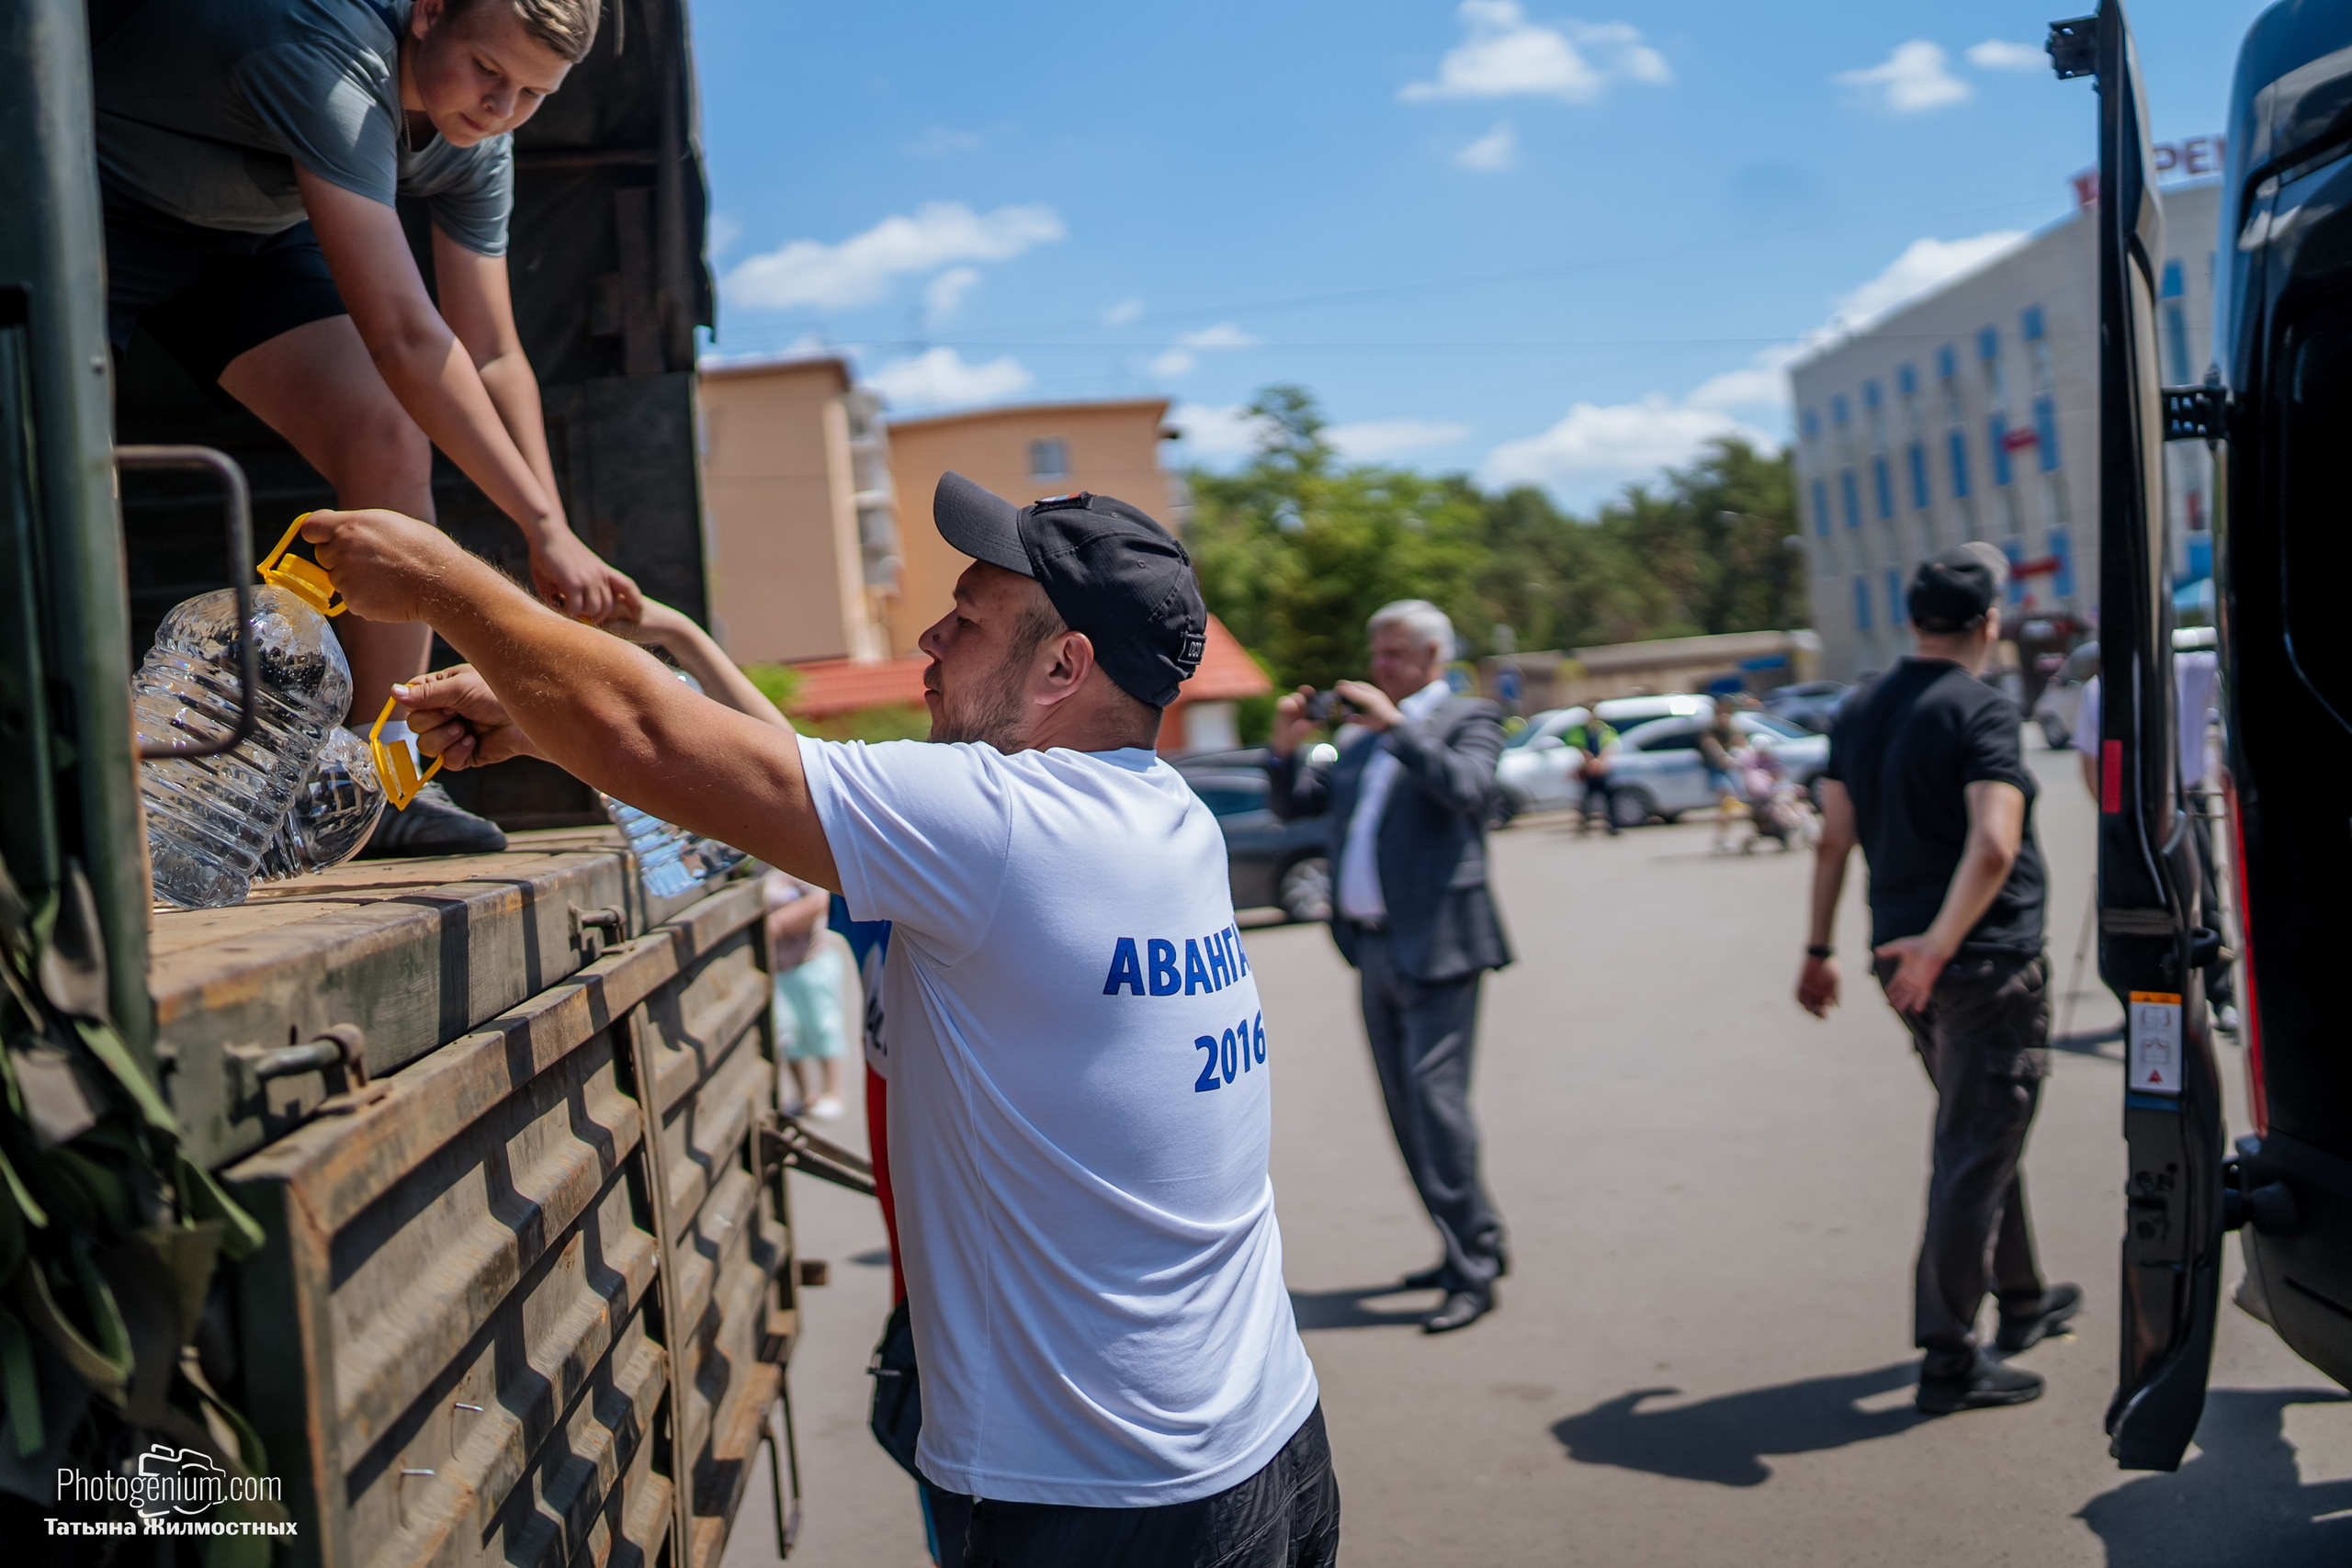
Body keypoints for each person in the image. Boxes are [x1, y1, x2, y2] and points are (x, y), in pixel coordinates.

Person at [317, 474, 1338, 1567]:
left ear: (1062, 667)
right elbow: (744, 781)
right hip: (1265, 1437)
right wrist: (549, 722)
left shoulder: (1009, 830)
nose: (930, 640)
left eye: (967, 616)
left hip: (1102, 1498)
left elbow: (647, 734)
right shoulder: (1160, 818)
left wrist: (438, 581)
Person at [94, 0, 640, 855]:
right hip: (90, 203)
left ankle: (371, 788)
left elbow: (493, 352)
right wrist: (536, 524)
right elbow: (406, 338)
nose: (502, 110)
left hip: (248, 245)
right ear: (427, 14)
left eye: (534, 93)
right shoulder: (330, 55)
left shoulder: (479, 144)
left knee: (388, 440)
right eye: (490, 71)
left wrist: (556, 528)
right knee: (63, 459)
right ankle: (72, 783)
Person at [1796, 544, 2081, 1416]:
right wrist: (1942, 943)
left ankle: (2024, 1298)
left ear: (1913, 618)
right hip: (1978, 960)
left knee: (1979, 1123)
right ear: (1989, 623)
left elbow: (1833, 834)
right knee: (1972, 1142)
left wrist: (1819, 948)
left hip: (1902, 961)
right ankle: (1949, 1355)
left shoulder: (1861, 706)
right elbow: (1994, 843)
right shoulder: (1981, 707)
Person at [1265, 601, 1513, 1334]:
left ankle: (1476, 1264)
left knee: (1437, 1107)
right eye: (1376, 655)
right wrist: (1284, 747)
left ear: (1434, 654)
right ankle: (1462, 1242)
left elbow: (1470, 791)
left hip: (1441, 944)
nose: (1380, 668)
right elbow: (1296, 805)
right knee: (1405, 1111)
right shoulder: (1361, 739)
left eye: (1396, 655)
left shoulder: (1467, 717)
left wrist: (1396, 726)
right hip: (1372, 946)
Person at [2069, 651, 2236, 1024]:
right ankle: (2149, 989)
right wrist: (2113, 813)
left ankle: (2220, 993)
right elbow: (2092, 760)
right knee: (2138, 904)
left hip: (2186, 800)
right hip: (2133, 806)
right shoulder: (2101, 691)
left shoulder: (2188, 670)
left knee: (2203, 898)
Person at [765, 872, 847, 1118]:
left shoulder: (791, 869)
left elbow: (820, 900)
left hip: (809, 963)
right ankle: (804, 1095)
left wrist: (778, 924)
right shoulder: (755, 870)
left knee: (823, 1027)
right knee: (787, 1033)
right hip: (778, 968)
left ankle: (833, 1092)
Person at [1563, 710, 1620, 837]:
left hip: (1602, 770)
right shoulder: (1580, 730)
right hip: (1587, 769)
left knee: (1608, 799)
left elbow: (1609, 746)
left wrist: (1599, 762)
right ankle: (1584, 826)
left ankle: (1612, 826)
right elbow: (1578, 746)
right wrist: (1590, 762)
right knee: (1586, 800)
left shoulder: (1604, 729)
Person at [1701, 703, 1746, 852]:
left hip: (1733, 773)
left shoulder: (1733, 732)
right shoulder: (1710, 734)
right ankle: (1723, 837)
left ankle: (1722, 837)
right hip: (1717, 773)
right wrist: (1724, 758)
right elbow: (1713, 749)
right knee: (1727, 802)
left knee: (1729, 806)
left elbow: (1742, 746)